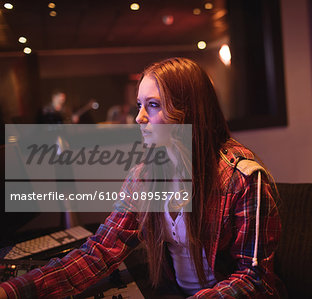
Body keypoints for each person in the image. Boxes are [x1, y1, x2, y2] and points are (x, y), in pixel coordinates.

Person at [0, 57, 283, 298]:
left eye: (153, 105)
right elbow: (99, 251)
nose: (139, 118)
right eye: (139, 104)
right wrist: (13, 291)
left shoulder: (242, 179)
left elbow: (254, 279)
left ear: (190, 111)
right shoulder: (145, 175)